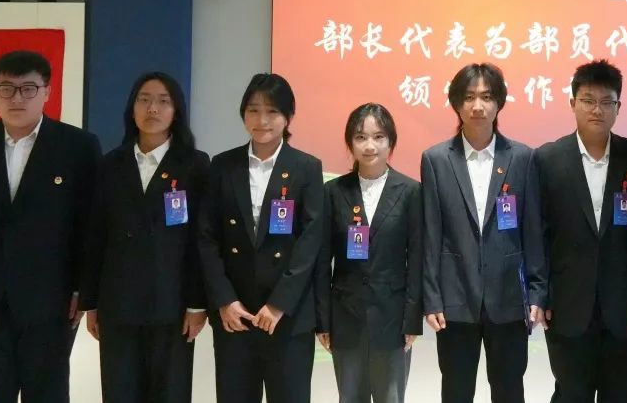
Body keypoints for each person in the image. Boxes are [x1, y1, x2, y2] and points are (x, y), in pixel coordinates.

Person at [0, 49, 101, 402]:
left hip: (50, 301)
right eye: (6, 88)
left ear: (47, 91)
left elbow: (90, 225)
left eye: (28, 88)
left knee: (47, 394)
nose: (17, 98)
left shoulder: (78, 146)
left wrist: (82, 289)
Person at [80, 71, 210, 403]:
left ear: (176, 111)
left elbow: (201, 241)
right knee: (119, 392)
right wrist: (90, 302)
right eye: (144, 100)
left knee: (170, 393)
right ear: (132, 108)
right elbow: (96, 236)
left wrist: (197, 303)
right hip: (118, 302)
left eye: (163, 101)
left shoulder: (194, 165)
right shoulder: (111, 164)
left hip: (172, 303)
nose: (152, 108)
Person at [197, 73, 327, 403]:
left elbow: (310, 242)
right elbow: (207, 238)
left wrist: (278, 304)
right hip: (235, 316)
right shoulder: (223, 165)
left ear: (288, 116)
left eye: (272, 111)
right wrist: (225, 300)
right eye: (253, 110)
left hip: (287, 317)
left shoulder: (306, 167)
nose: (262, 120)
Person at [422, 63, 547, 403]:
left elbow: (532, 231)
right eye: (469, 97)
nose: (478, 106)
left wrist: (537, 292)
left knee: (509, 391)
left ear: (499, 103)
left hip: (509, 299)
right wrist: (431, 297)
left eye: (487, 97)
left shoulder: (522, 157)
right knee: (456, 391)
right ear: (456, 103)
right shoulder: (436, 159)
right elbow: (431, 235)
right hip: (455, 299)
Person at [537, 59, 627, 402]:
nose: (597, 110)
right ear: (573, 103)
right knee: (571, 393)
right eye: (588, 100)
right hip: (568, 305)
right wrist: (541, 294)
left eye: (606, 101)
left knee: (623, 393)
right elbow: (539, 234)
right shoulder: (547, 159)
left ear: (618, 107)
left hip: (626, 308)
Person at [317, 103, 423, 403]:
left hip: (393, 318)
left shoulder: (411, 191)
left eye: (378, 137)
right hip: (345, 316)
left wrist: (412, 320)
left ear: (391, 141)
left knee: (391, 397)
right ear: (350, 142)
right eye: (360, 137)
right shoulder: (333, 192)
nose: (369, 146)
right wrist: (323, 320)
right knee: (350, 397)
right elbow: (322, 261)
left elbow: (417, 260)